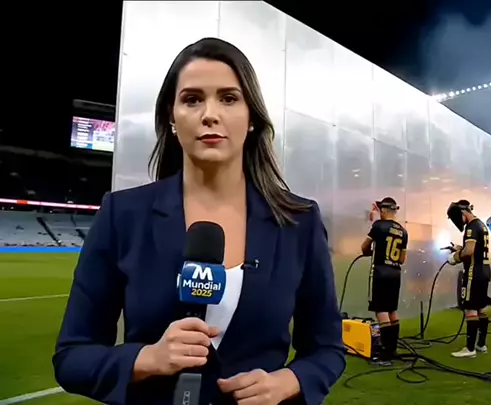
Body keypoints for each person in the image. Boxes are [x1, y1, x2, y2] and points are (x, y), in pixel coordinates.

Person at [52, 37, 346, 405]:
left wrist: (289, 381)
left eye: (229, 98)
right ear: (171, 117)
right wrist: (148, 359)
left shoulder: (298, 222)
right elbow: (72, 357)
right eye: (192, 99)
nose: (210, 114)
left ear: (251, 118)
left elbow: (327, 349)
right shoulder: (122, 215)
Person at [360, 197, 408, 365]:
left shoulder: (378, 226)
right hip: (395, 273)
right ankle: (392, 349)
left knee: (381, 311)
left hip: (380, 272)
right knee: (392, 310)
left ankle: (385, 355)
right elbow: (402, 259)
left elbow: (364, 247)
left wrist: (371, 251)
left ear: (384, 211)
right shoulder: (403, 231)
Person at [445, 200, 491, 358]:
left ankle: (470, 349)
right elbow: (475, 249)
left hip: (473, 272)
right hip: (484, 271)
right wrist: (459, 248)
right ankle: (481, 344)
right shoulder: (481, 225)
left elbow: (469, 251)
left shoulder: (471, 227)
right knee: (481, 307)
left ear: (463, 213)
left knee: (470, 308)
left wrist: (455, 257)